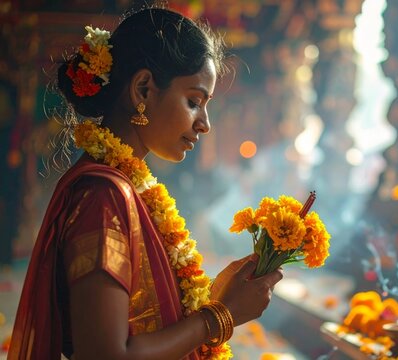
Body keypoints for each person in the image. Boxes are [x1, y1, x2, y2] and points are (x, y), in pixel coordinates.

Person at [9, 7, 283, 360]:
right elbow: (107, 355)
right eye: (194, 101)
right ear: (143, 90)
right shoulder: (103, 196)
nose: (205, 124)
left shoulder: (127, 187)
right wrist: (219, 316)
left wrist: (218, 299)